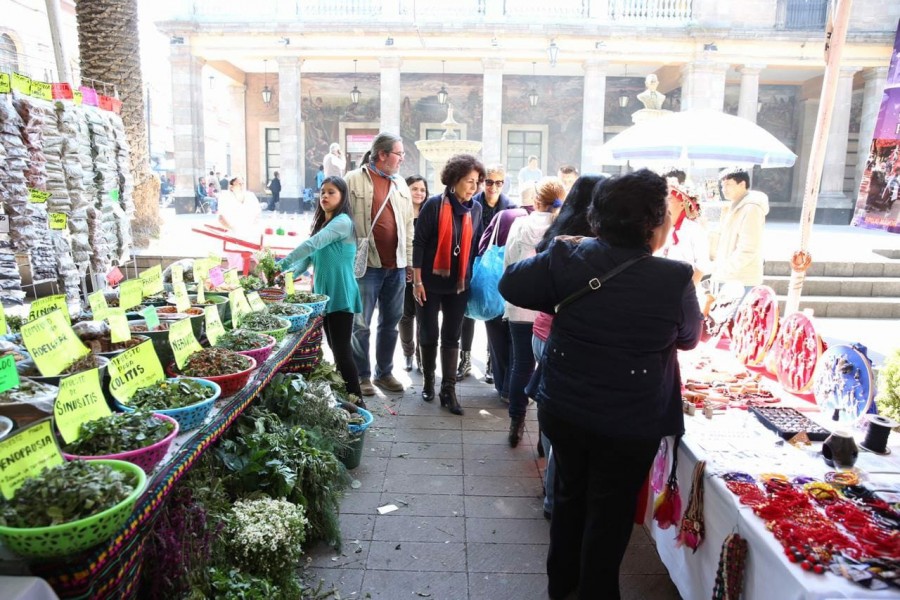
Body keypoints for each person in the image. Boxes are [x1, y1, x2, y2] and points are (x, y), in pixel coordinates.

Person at [499, 169, 702, 600]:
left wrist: (565, 259)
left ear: (596, 219)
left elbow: (512, 282)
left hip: (567, 407)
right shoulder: (674, 278)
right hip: (631, 420)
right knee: (609, 514)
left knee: (570, 498)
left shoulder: (571, 256)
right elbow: (688, 338)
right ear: (654, 223)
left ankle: (562, 589)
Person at [531, 174, 608, 520]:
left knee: (552, 415)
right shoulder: (590, 242)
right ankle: (553, 498)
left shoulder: (556, 234)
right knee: (566, 426)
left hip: (541, 332)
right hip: (563, 340)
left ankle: (551, 483)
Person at [278, 177, 364, 401]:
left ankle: (358, 400)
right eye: (322, 192)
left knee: (342, 351)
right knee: (335, 349)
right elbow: (308, 258)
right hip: (323, 297)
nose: (324, 196)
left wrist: (281, 263)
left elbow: (310, 245)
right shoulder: (323, 225)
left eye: (331, 192)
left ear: (342, 197)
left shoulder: (343, 222)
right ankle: (348, 399)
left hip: (341, 293)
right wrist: (284, 277)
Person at [412, 154, 485, 415]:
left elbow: (475, 245)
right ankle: (430, 381)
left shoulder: (475, 209)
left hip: (459, 285)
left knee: (452, 336)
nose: (473, 187)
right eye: (468, 181)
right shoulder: (433, 205)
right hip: (429, 284)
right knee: (429, 334)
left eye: (477, 182)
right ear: (454, 181)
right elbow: (418, 243)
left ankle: (449, 390)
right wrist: (417, 281)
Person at [345, 133, 415, 397]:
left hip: (395, 266)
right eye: (399, 153)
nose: (402, 159)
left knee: (391, 322)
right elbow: (340, 222)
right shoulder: (352, 180)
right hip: (366, 266)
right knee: (360, 324)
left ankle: (384, 373)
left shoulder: (400, 184)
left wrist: (409, 262)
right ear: (382, 154)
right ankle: (361, 376)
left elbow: (408, 227)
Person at [502, 177, 561, 447]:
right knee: (548, 371)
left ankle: (516, 422)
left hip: (519, 305)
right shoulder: (562, 228)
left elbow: (509, 264)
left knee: (521, 365)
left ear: (535, 201)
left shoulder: (519, 224)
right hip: (547, 312)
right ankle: (541, 437)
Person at [457, 164, 515, 384]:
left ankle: (492, 361)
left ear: (504, 183)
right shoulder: (472, 203)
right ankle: (465, 359)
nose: (493, 186)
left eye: (498, 182)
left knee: (495, 315)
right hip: (471, 264)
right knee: (467, 313)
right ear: (483, 182)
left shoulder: (510, 207)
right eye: (489, 182)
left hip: (496, 269)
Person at [712, 166, 769, 290]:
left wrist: (725, 269)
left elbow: (748, 248)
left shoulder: (751, 208)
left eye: (728, 185)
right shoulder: (733, 206)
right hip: (728, 277)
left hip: (742, 280)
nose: (724, 189)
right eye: (722, 186)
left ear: (742, 184)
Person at [399, 175, 428, 373]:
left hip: (424, 273)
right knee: (405, 315)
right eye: (414, 189)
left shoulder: (430, 213)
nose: (419, 193)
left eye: (422, 190)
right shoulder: (401, 212)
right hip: (402, 270)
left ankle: (421, 355)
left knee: (423, 315)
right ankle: (408, 353)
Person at [658, 185, 711, 285]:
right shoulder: (659, 228)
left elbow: (702, 264)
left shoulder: (694, 229)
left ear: (682, 204)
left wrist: (688, 291)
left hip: (683, 288)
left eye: (669, 199)